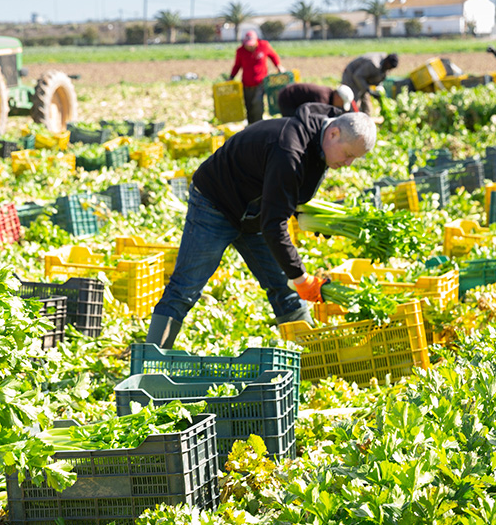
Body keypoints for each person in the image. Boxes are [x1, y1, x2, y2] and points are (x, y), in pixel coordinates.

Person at [145, 105, 377, 348]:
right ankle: (149, 363)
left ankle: (311, 357)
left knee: (283, 287)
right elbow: (274, 225)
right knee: (185, 287)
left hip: (254, 213)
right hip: (215, 204)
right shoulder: (289, 149)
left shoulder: (318, 144)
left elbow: (284, 193)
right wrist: (300, 277)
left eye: (354, 159)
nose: (348, 163)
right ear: (334, 133)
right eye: (348, 154)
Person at [229, 30, 283, 123]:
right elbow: (237, 65)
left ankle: (258, 124)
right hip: (246, 84)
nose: (249, 47)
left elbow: (273, 56)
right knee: (248, 106)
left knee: (257, 105)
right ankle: (251, 125)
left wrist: (278, 66)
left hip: (260, 83)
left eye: (251, 45)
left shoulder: (264, 46)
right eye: (247, 45)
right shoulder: (240, 51)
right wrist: (231, 77)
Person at [276, 82, 356, 117]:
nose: (340, 106)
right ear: (338, 97)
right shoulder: (323, 99)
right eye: (342, 103)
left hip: (291, 95)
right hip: (287, 97)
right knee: (292, 124)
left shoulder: (328, 94)